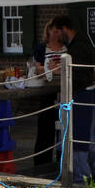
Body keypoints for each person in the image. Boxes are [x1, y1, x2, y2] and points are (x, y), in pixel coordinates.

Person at [51, 15, 95, 187]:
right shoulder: (79, 43)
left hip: (81, 95)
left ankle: (82, 180)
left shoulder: (78, 47)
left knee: (79, 139)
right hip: (86, 94)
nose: (57, 36)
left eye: (58, 31)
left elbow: (78, 75)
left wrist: (58, 72)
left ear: (65, 29)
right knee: (90, 138)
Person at [32, 21, 64, 166]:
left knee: (63, 126)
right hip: (47, 90)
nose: (58, 34)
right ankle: (41, 161)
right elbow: (38, 69)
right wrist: (54, 69)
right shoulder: (41, 48)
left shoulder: (66, 48)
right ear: (49, 31)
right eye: (55, 31)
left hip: (63, 90)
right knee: (45, 126)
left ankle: (61, 158)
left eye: (60, 31)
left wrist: (54, 69)